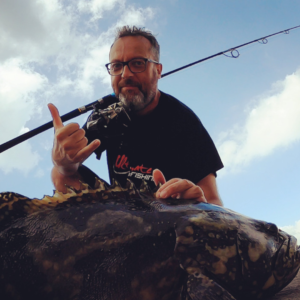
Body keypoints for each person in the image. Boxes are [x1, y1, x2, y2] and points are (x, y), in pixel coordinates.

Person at [48, 26, 224, 206]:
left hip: (170, 216)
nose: (126, 74)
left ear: (158, 70)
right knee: (59, 173)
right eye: (117, 66)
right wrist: (64, 162)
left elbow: (213, 201)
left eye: (138, 63)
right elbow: (69, 167)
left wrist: (196, 204)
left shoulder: (185, 122)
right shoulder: (106, 114)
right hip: (121, 213)